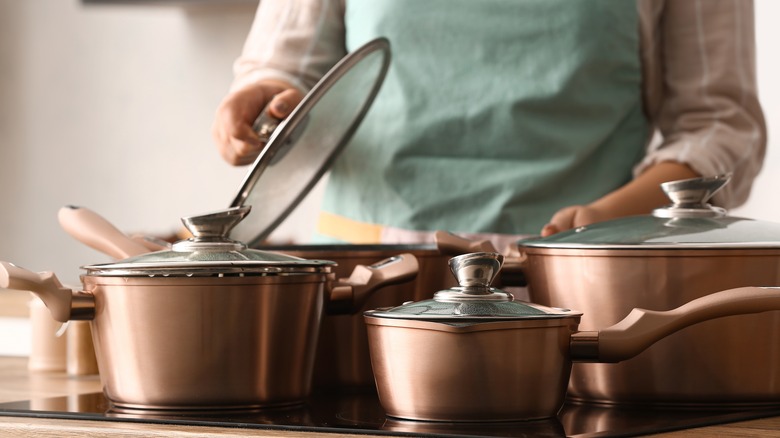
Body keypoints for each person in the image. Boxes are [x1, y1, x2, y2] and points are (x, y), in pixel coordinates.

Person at [212, 0, 765, 249]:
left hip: (578, 295)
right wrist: (260, 105)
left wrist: (609, 221)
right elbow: (284, 67)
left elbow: (719, 123)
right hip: (367, 288)